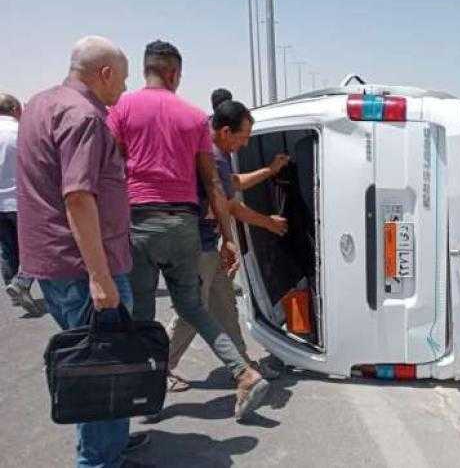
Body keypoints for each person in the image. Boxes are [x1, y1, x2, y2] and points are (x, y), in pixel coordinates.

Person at [106, 40, 268, 420]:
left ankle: (146, 397)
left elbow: (110, 169)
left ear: (146, 69)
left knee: (143, 315)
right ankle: (244, 373)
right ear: (174, 73)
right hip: (184, 226)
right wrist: (228, 238)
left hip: (140, 222)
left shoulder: (121, 109)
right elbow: (213, 185)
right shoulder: (194, 117)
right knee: (193, 307)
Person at [16, 36, 144, 468]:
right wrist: (100, 277)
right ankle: (100, 459)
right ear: (104, 73)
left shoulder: (40, 104)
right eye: (122, 79)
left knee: (95, 362)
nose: (123, 88)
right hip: (84, 267)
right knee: (102, 367)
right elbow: (78, 197)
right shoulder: (84, 115)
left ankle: (109, 445)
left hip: (54, 262)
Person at [166, 97, 289, 391]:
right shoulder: (215, 155)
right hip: (196, 247)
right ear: (224, 131)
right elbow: (233, 206)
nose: (245, 144)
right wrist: (268, 223)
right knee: (190, 313)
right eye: (243, 137)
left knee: (225, 305)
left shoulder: (214, 153)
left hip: (207, 245)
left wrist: (270, 171)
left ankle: (243, 366)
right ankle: (158, 369)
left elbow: (233, 182)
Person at [0, 93, 40, 315]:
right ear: (15, 109)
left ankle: (14, 287)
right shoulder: (21, 132)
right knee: (35, 246)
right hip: (21, 200)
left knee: (7, 249)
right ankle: (21, 283)